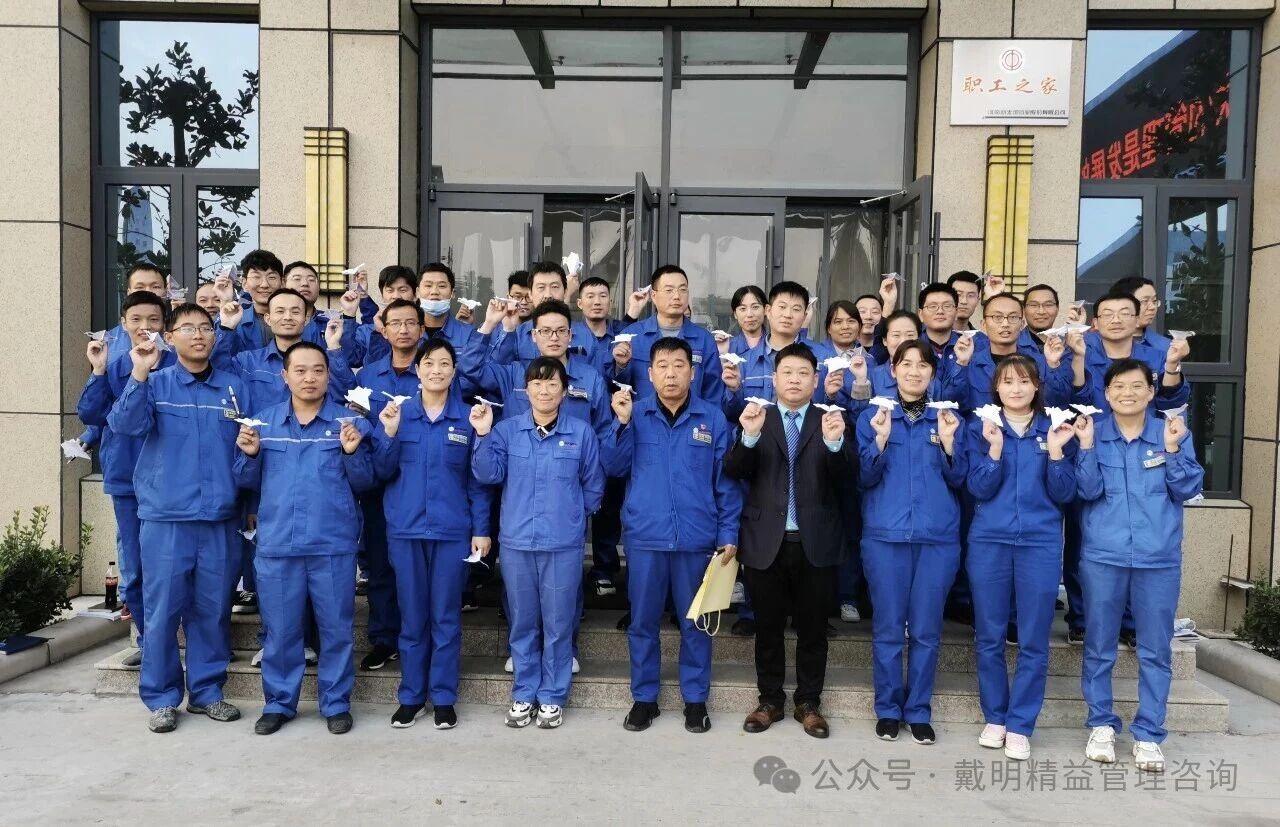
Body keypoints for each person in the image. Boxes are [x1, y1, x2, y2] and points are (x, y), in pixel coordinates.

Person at [107, 303, 252, 733]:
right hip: (167, 518)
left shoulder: (233, 388)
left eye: (206, 328)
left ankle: (207, 693)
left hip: (220, 518)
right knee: (162, 612)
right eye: (187, 328)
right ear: (169, 338)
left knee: (212, 611)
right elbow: (125, 425)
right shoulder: (155, 383)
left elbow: (249, 446)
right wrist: (139, 372)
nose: (199, 335)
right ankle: (162, 697)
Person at [232, 342, 377, 736]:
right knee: (280, 632)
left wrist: (352, 453)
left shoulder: (347, 423)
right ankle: (279, 703)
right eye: (300, 370)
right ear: (285, 376)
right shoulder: (263, 424)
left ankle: (336, 703)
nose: (309, 378)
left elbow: (365, 482)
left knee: (336, 630)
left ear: (328, 376)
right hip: (278, 544)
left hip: (332, 544)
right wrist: (249, 455)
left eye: (317, 370)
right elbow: (244, 480)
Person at [601, 337, 743, 734]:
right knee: (642, 623)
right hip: (646, 537)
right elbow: (613, 467)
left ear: (692, 372)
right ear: (649, 373)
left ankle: (695, 700)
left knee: (695, 623)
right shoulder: (635, 413)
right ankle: (644, 698)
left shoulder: (712, 418)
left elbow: (726, 484)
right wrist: (621, 424)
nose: (670, 373)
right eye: (662, 366)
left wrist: (728, 532)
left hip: (696, 539)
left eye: (679, 365)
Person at [1075, 359, 1203, 773]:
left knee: (1155, 650)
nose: (1127, 393)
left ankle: (1149, 733)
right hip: (1103, 556)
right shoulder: (1094, 432)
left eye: (1136, 386)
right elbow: (1086, 490)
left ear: (1151, 392)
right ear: (1106, 393)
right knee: (1098, 646)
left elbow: (1188, 488)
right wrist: (1086, 447)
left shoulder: (1171, 432)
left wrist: (1173, 450)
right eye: (1118, 386)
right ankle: (1101, 724)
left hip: (1157, 559)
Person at [724, 343, 857, 740]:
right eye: (788, 373)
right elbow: (734, 470)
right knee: (767, 627)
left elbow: (848, 478)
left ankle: (809, 703)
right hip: (766, 540)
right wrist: (748, 438)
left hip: (817, 541)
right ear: (774, 379)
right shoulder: (757, 417)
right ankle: (769, 701)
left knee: (813, 629)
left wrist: (835, 445)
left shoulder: (830, 419)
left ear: (815, 381)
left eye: (803, 373)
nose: (795, 380)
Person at [471, 357, 605, 730]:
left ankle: (552, 696)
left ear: (564, 391)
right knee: (523, 622)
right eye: (536, 383)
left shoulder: (581, 433)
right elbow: (488, 474)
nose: (544, 391)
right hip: (516, 542)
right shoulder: (506, 430)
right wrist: (482, 434)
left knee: (559, 623)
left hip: (562, 544)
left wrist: (573, 517)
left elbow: (593, 485)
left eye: (551, 384)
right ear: (525, 389)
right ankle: (524, 692)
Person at [373, 338, 493, 730]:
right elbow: (381, 471)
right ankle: (411, 697)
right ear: (417, 370)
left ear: (454, 372)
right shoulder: (398, 414)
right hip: (406, 531)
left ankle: (442, 697)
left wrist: (481, 529)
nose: (436, 370)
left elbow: (477, 482)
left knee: (445, 617)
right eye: (429, 363)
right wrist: (388, 434)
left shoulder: (468, 419)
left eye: (444, 364)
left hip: (451, 532)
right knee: (412, 618)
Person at [965, 355, 1078, 761]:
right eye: (1008, 381)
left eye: (1024, 381)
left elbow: (1065, 493)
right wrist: (994, 451)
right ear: (996, 387)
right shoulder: (981, 427)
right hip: (989, 540)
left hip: (1039, 542)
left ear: (1036, 387)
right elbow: (977, 488)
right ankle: (995, 717)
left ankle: (1020, 724)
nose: (1016, 388)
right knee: (989, 635)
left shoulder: (1055, 428)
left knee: (1034, 638)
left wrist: (1057, 453)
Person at [856, 340, 967, 746]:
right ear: (893, 370)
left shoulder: (949, 418)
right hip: (885, 537)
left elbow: (962, 479)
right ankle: (888, 709)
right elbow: (863, 478)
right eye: (906, 364)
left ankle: (918, 710)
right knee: (888, 629)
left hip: (937, 539)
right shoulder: (873, 416)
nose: (915, 371)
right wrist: (881, 441)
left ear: (933, 373)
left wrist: (950, 444)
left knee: (926, 630)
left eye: (923, 365)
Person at [77, 290, 173, 668]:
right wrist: (98, 370)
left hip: (171, 482)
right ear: (123, 324)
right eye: (136, 320)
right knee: (134, 569)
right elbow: (91, 414)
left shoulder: (178, 366)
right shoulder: (116, 367)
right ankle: (149, 642)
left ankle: (190, 641)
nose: (145, 327)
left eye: (153, 320)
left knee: (176, 567)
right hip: (128, 481)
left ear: (164, 324)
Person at [611, 265, 724, 402]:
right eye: (669, 290)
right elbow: (615, 388)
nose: (677, 296)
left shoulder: (704, 339)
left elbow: (713, 393)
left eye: (682, 290)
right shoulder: (631, 336)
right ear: (653, 295)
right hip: (642, 415)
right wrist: (621, 366)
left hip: (692, 415)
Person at [962, 293, 1080, 412]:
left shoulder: (1040, 362)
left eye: (1013, 317)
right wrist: (961, 363)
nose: (1005, 324)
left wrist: (1053, 365)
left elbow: (1058, 404)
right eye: (997, 317)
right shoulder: (969, 364)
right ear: (983, 324)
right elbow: (957, 405)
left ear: (1022, 324)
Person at [722, 281, 822, 419]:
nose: (787, 314)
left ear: (805, 316)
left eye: (796, 309)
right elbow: (731, 414)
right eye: (782, 307)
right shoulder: (744, 362)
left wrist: (831, 395)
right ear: (768, 311)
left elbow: (834, 411)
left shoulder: (822, 358)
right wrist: (734, 390)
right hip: (757, 432)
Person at [342, 264, 421, 367]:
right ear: (382, 295)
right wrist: (349, 315)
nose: (396, 296)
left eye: (402, 290)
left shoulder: (422, 327)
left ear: (415, 294)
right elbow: (351, 359)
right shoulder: (369, 330)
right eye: (390, 290)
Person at [102, 265, 168, 362]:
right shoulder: (110, 340)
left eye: (155, 287)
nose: (148, 292)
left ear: (166, 291)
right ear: (129, 292)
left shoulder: (179, 332)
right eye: (140, 287)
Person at [224, 249, 285, 352]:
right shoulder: (235, 320)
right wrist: (224, 302)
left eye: (271, 277)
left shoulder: (294, 319)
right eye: (256, 277)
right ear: (244, 284)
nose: (264, 284)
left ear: (282, 283)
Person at [1111, 276, 1173, 360]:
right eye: (1145, 301)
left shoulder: (1164, 346)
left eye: (1154, 301)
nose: (1152, 307)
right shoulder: (1096, 343)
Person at [720, 285, 766, 355]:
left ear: (765, 310)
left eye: (755, 307)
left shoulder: (775, 345)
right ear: (735, 314)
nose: (749, 314)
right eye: (743, 308)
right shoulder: (727, 347)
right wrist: (722, 354)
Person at [1019, 284, 1061, 353]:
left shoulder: (1068, 345)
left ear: (1057, 309)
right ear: (1023, 309)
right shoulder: (1012, 344)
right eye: (1034, 305)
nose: (1041, 312)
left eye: (1048, 305)